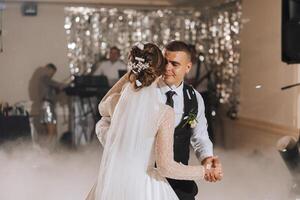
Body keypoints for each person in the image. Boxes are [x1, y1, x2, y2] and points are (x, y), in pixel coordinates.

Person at [86, 43, 222, 200]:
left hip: (179, 185)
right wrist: (204, 171)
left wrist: (207, 160)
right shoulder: (157, 109)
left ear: (188, 67)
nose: (167, 68)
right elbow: (165, 166)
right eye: (165, 62)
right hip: (150, 186)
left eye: (175, 64)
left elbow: (200, 137)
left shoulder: (195, 98)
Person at [38, 63, 65, 147]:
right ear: (49, 69)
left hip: (48, 105)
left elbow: (54, 90)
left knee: (53, 130)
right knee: (51, 131)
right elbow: (56, 84)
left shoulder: (46, 80)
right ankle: (46, 150)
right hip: (47, 106)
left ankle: (51, 149)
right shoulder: (45, 78)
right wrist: (65, 85)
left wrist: (59, 89)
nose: (53, 74)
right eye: (52, 72)